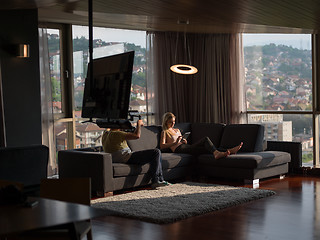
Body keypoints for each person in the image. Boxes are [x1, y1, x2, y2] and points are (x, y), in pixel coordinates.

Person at [102, 119, 170, 189]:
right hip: (126, 157)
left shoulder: (105, 133)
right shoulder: (117, 133)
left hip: (115, 158)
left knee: (154, 156)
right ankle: (156, 180)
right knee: (156, 152)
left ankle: (160, 179)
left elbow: (108, 128)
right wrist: (139, 124)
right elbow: (137, 136)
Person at [160, 112, 243, 159]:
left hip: (185, 146)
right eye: (171, 122)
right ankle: (223, 152)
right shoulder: (165, 132)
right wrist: (175, 143)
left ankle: (226, 151)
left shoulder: (177, 130)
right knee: (205, 139)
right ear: (166, 121)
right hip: (178, 149)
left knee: (207, 148)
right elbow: (162, 146)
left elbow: (183, 142)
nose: (173, 123)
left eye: (174, 121)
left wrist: (184, 141)